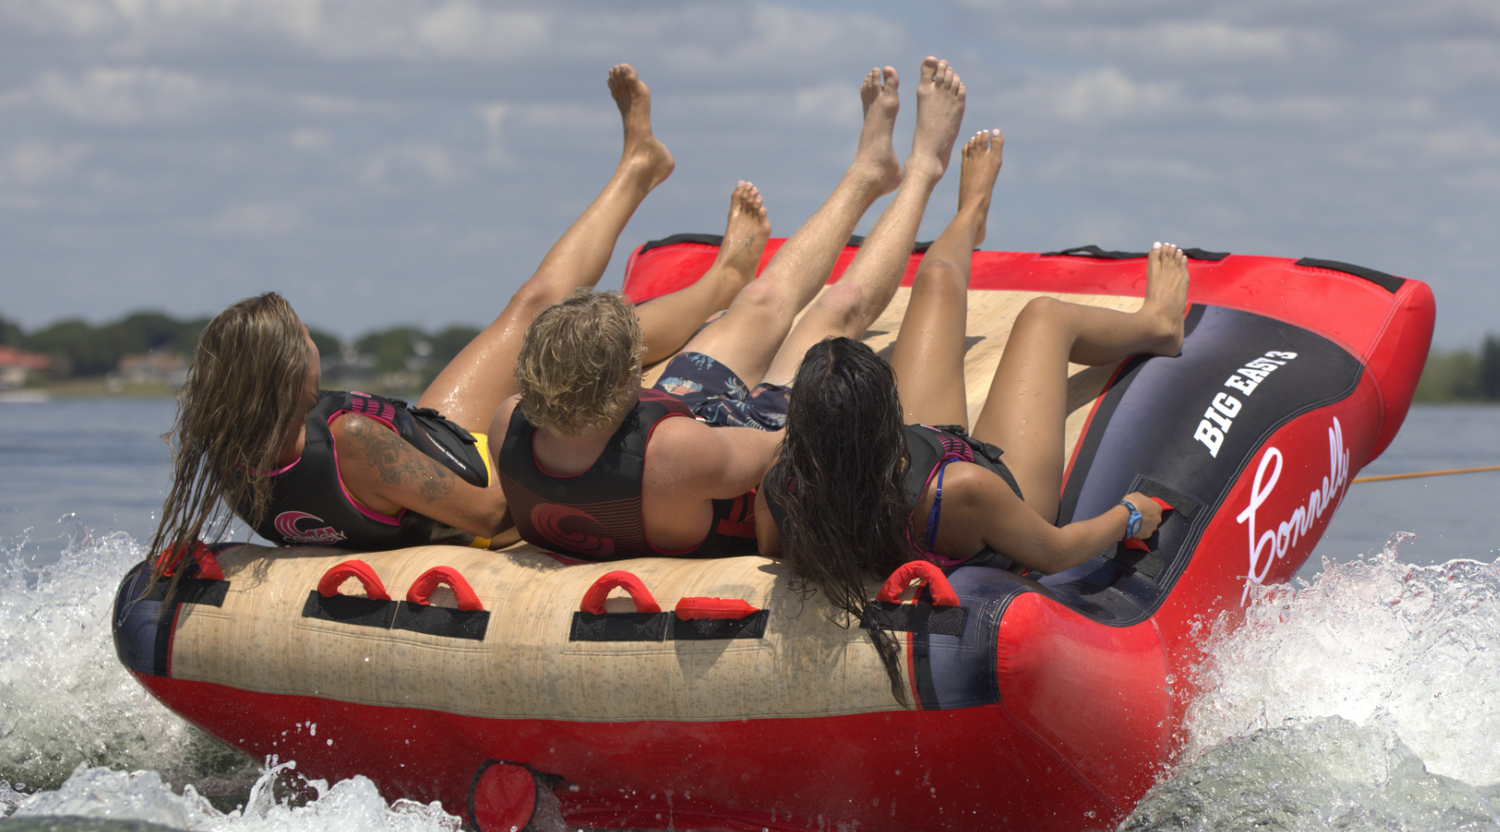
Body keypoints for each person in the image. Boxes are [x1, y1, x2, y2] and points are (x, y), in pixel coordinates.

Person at [150, 64, 768, 571]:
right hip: (493, 464)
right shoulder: (349, 441)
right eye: (305, 338)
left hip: (434, 446)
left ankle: (639, 168)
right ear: (289, 374)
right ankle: (724, 279)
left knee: (534, 305)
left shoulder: (233, 448)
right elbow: (493, 515)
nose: (314, 343)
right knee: (588, 349)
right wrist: (561, 442)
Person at [758, 128, 1187, 702]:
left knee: (934, 279)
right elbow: (1056, 551)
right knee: (1043, 318)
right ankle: (1160, 325)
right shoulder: (961, 491)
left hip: (915, 465)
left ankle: (971, 214)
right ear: (886, 418)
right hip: (976, 497)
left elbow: (769, 551)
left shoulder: (783, 484)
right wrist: (1131, 516)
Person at [494, 57, 968, 561]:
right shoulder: (674, 453)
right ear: (628, 379)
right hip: (712, 461)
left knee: (758, 302)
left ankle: (867, 173)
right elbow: (786, 446)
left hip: (678, 442)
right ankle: (923, 170)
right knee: (837, 311)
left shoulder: (512, 422)